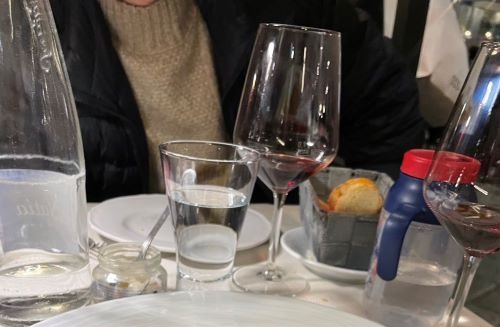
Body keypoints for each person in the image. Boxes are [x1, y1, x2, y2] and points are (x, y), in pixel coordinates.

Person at [49, 0, 425, 202]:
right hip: (108, 266)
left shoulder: (288, 7)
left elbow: (384, 105)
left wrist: (360, 211)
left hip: (260, 254)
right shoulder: (31, 20)